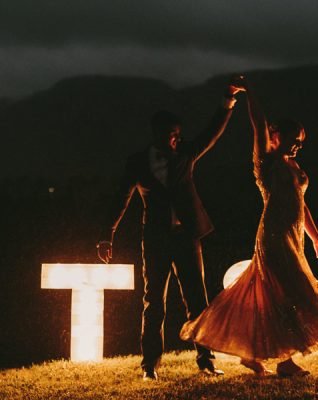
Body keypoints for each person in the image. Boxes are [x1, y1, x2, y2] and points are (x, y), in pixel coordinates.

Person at [180, 78, 318, 377]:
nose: (298, 145)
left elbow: (302, 204)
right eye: (294, 139)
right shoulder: (267, 162)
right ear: (276, 136)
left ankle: (254, 355)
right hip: (273, 235)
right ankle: (284, 361)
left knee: (269, 297)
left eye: (301, 142)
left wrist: (317, 240)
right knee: (288, 294)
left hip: (293, 236)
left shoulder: (294, 167)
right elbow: (258, 123)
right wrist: (251, 94)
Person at [97, 76, 245, 381]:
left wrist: (228, 100)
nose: (175, 139)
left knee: (197, 299)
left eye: (177, 134)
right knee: (154, 302)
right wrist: (107, 234)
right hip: (155, 239)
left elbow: (212, 133)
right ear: (156, 134)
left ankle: (206, 358)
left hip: (187, 236)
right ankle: (149, 365)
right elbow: (120, 200)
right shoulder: (137, 163)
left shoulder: (186, 155)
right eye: (169, 134)